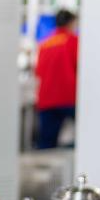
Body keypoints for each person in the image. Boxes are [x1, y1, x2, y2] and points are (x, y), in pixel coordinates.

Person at [34, 9, 79, 150]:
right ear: (70, 23)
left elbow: (38, 71)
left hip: (47, 98)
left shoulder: (45, 43)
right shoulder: (74, 41)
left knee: (47, 143)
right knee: (88, 134)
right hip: (68, 96)